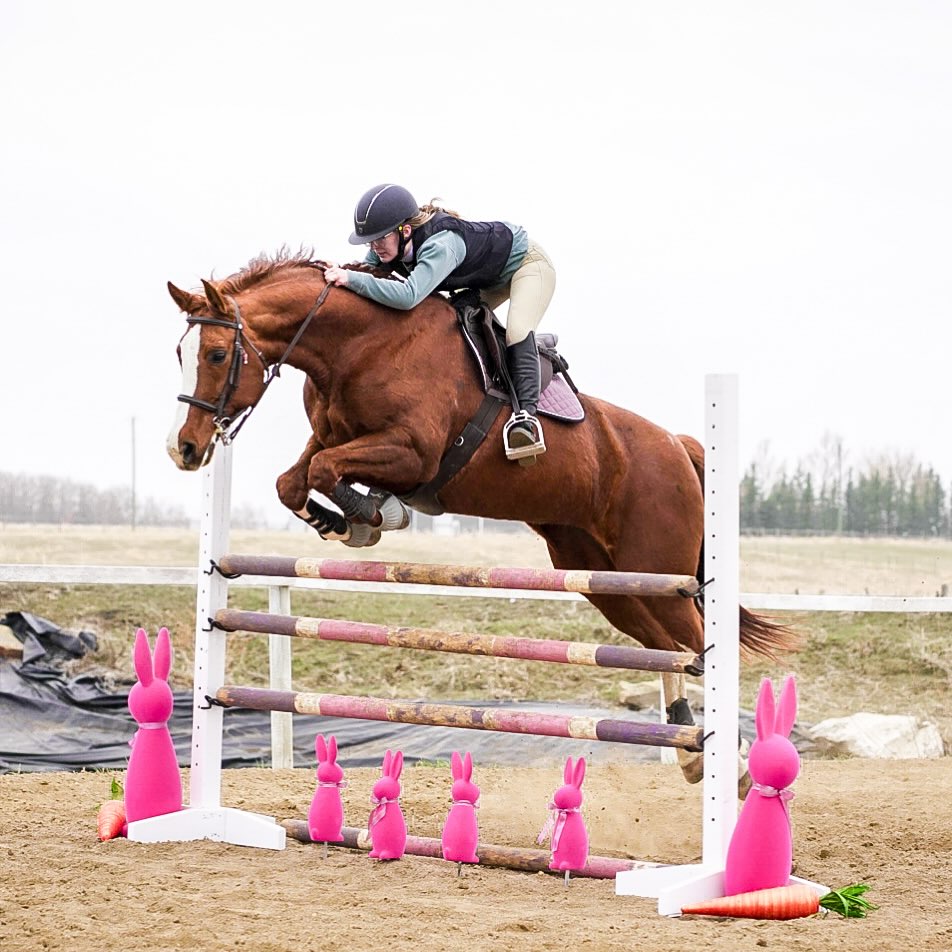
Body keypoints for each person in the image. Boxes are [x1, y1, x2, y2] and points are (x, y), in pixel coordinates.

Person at [323, 184, 556, 464]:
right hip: (487, 279)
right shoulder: (386, 247)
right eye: (369, 241)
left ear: (404, 231)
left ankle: (525, 420)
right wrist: (340, 274)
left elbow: (408, 296)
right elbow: (369, 277)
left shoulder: (440, 245)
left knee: (517, 329)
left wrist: (351, 280)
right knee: (445, 324)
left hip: (526, 266)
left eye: (379, 239)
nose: (374, 247)